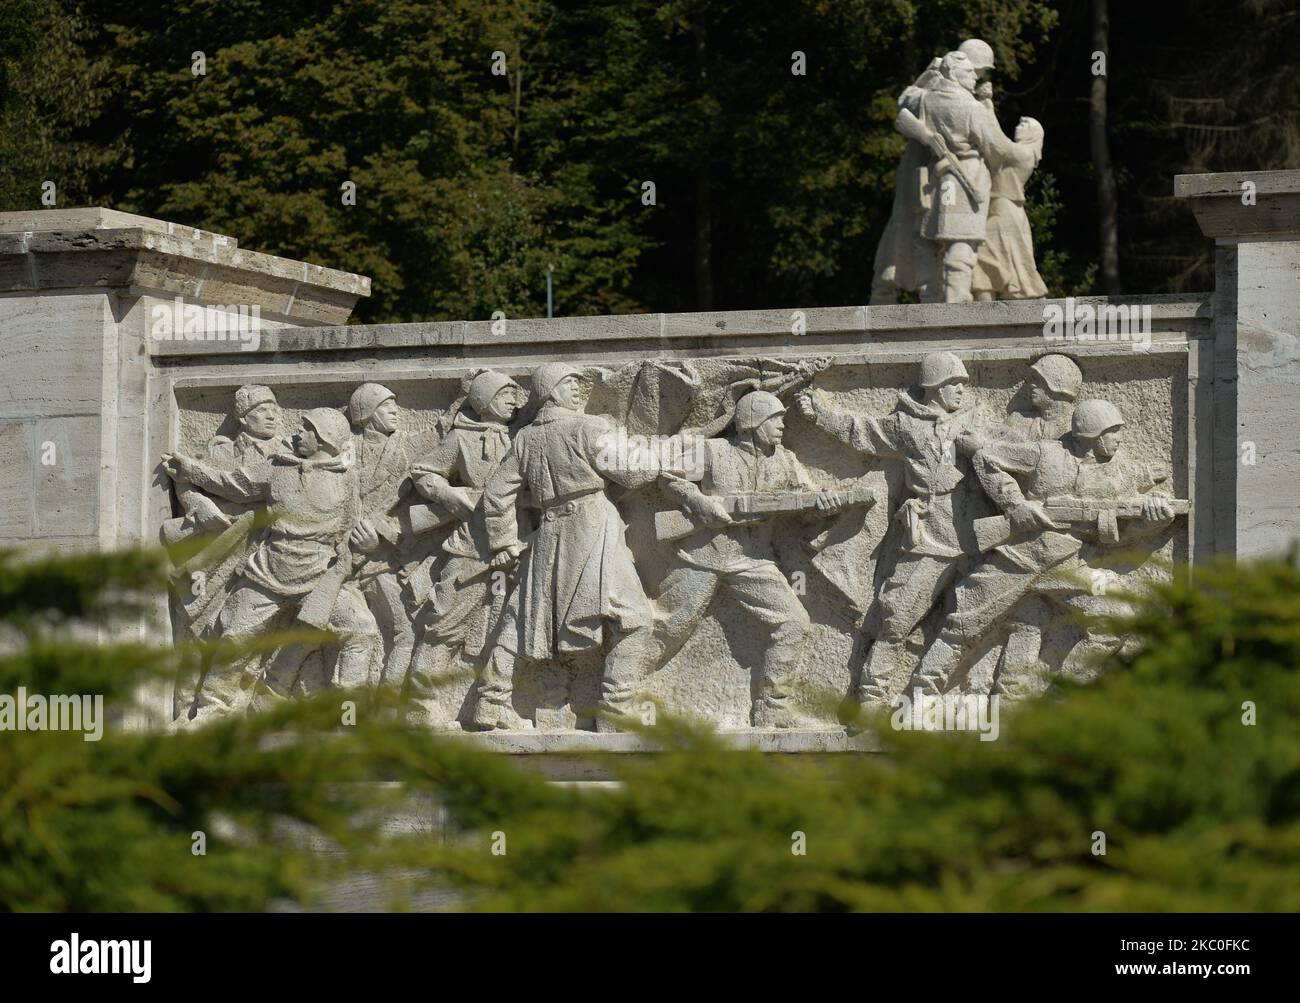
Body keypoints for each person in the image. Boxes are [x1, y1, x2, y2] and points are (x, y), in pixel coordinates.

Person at [908, 399, 1175, 696]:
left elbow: (1114, 536)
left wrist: (1153, 523)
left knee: (1120, 617)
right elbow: (985, 458)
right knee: (963, 626)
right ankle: (919, 696)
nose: (1119, 439)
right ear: (1093, 435)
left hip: (1068, 564)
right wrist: (1015, 505)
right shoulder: (1045, 453)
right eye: (1113, 432)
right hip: (1017, 558)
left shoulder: (1112, 477)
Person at [161, 408, 380, 722]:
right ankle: (211, 711)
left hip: (319, 576)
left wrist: (365, 547)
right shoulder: (277, 469)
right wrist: (191, 471)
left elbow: (350, 530)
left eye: (306, 429)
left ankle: (349, 715)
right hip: (267, 573)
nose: (296, 433)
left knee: (361, 629)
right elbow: (231, 483)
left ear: (324, 439)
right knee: (235, 638)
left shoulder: (348, 480)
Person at [798, 352, 989, 706]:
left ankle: (957, 698)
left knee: (976, 621)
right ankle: (871, 696)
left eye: (963, 384)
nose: (961, 390)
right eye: (954, 384)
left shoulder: (973, 422)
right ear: (936, 387)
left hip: (985, 537)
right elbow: (861, 431)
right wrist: (816, 413)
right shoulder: (907, 426)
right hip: (932, 537)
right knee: (898, 619)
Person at [480, 363, 660, 732]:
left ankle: (490, 698)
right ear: (550, 391)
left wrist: (502, 540)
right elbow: (635, 473)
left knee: (530, 616)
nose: (579, 390)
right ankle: (615, 708)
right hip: (591, 526)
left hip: (548, 531)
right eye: (570, 383)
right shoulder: (589, 427)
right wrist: (646, 451)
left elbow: (496, 494)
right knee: (635, 618)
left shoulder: (525, 438)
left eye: (580, 383)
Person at [656, 390, 844, 728]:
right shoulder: (714, 451)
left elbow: (805, 503)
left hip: (753, 559)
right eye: (775, 419)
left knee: (794, 622)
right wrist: (699, 503)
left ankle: (772, 710)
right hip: (703, 556)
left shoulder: (784, 460)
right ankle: (614, 699)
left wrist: (823, 508)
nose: (783, 425)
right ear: (752, 421)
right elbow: (670, 477)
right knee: (668, 626)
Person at [404, 370, 524, 728]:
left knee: (507, 624)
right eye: (503, 395)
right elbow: (423, 471)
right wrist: (449, 494)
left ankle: (492, 704)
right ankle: (418, 705)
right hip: (471, 548)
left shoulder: (522, 436)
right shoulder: (462, 438)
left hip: (515, 548)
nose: (512, 401)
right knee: (446, 624)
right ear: (485, 400)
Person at [870, 39, 997, 303]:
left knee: (930, 238)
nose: (978, 78)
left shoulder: (930, 96)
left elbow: (906, 100)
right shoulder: (962, 102)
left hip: (932, 173)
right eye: (977, 72)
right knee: (937, 237)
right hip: (935, 174)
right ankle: (938, 296)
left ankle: (934, 295)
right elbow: (995, 146)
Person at [347, 383, 418, 691]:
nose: (395, 412)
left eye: (396, 405)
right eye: (387, 406)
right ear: (368, 412)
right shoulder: (344, 447)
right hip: (340, 557)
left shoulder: (403, 446)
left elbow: (442, 435)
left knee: (403, 631)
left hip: (381, 558)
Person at [973, 117, 1048, 300]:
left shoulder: (1024, 153)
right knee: (1005, 258)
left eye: (1024, 125)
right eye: (1018, 122)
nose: (1017, 126)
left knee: (983, 253)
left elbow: (999, 143)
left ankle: (988, 304)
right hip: (1002, 209)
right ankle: (988, 302)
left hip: (1006, 210)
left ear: (1034, 133)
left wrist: (986, 107)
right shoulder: (1018, 152)